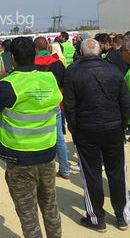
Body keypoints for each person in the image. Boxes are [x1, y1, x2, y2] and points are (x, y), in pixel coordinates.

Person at [0, 37, 63, 238]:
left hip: (20, 159)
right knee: (50, 206)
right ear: (35, 55)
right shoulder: (49, 79)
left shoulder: (8, 84)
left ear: (12, 58)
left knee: (28, 213)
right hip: (46, 153)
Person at [63, 38, 130, 232]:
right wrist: (122, 125)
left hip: (87, 128)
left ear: (81, 53)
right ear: (100, 51)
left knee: (91, 173)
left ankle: (97, 218)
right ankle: (122, 217)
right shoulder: (114, 70)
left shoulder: (73, 72)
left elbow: (70, 106)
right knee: (117, 172)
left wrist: (74, 129)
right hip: (113, 127)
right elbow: (124, 102)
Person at [34, 37, 70, 179]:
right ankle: (65, 169)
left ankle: (39, 170)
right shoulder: (58, 63)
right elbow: (63, 84)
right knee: (59, 138)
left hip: (36, 104)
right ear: (47, 47)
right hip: (54, 103)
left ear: (35, 49)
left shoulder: (31, 64)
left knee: (37, 137)